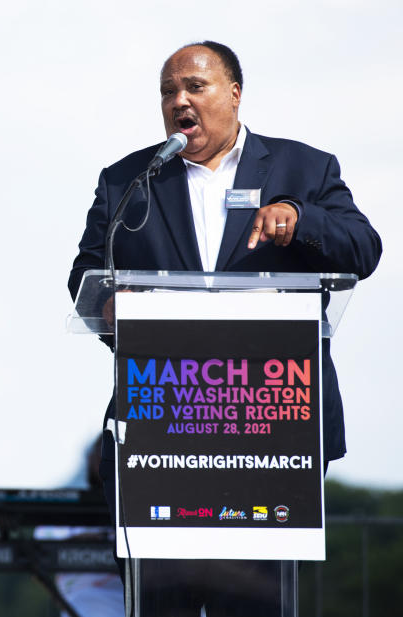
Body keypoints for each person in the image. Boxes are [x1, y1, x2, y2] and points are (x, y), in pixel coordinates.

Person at [67, 41, 382, 615]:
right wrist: (113, 305)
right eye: (168, 91)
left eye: (195, 86)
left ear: (235, 93)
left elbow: (365, 249)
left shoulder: (304, 168)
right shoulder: (129, 181)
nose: (179, 100)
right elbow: (87, 274)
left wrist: (303, 220)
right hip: (163, 426)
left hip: (270, 427)